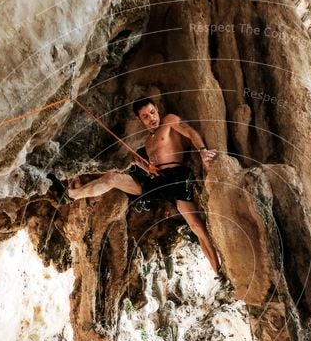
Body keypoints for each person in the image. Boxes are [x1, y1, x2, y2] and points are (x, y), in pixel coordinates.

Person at [68, 98, 220, 274]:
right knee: (112, 178)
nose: (151, 118)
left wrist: (202, 151)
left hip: (177, 177)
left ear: (157, 109)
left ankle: (217, 270)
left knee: (196, 226)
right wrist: (145, 166)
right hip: (158, 181)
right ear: (140, 120)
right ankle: (72, 195)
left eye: (152, 112)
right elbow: (153, 169)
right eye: (146, 116)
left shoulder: (169, 121)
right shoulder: (148, 144)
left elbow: (190, 131)